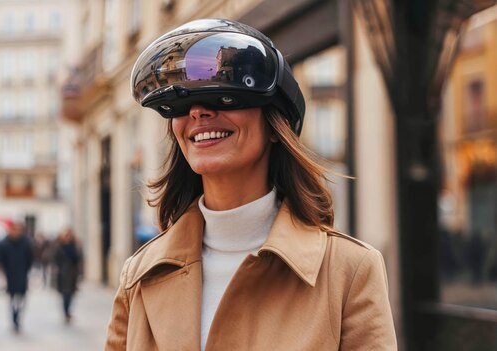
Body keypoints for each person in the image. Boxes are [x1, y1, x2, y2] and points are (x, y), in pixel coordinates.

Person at [106, 19, 397, 350]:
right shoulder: (139, 276)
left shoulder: (350, 271)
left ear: (276, 126)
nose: (199, 112)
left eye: (225, 96)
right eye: (184, 105)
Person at [0, 220, 33, 332]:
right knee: (12, 299)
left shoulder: (26, 243)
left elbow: (30, 259)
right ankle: (14, 317)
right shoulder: (4, 243)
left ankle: (18, 317)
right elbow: (0, 259)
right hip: (10, 275)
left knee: (22, 299)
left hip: (22, 274)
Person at [51, 227, 84, 324]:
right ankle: (66, 312)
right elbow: (54, 258)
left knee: (71, 294)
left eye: (69, 235)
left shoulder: (75, 246)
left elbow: (78, 259)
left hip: (72, 274)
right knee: (65, 294)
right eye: (65, 235)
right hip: (62, 274)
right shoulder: (58, 246)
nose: (67, 237)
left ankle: (67, 310)